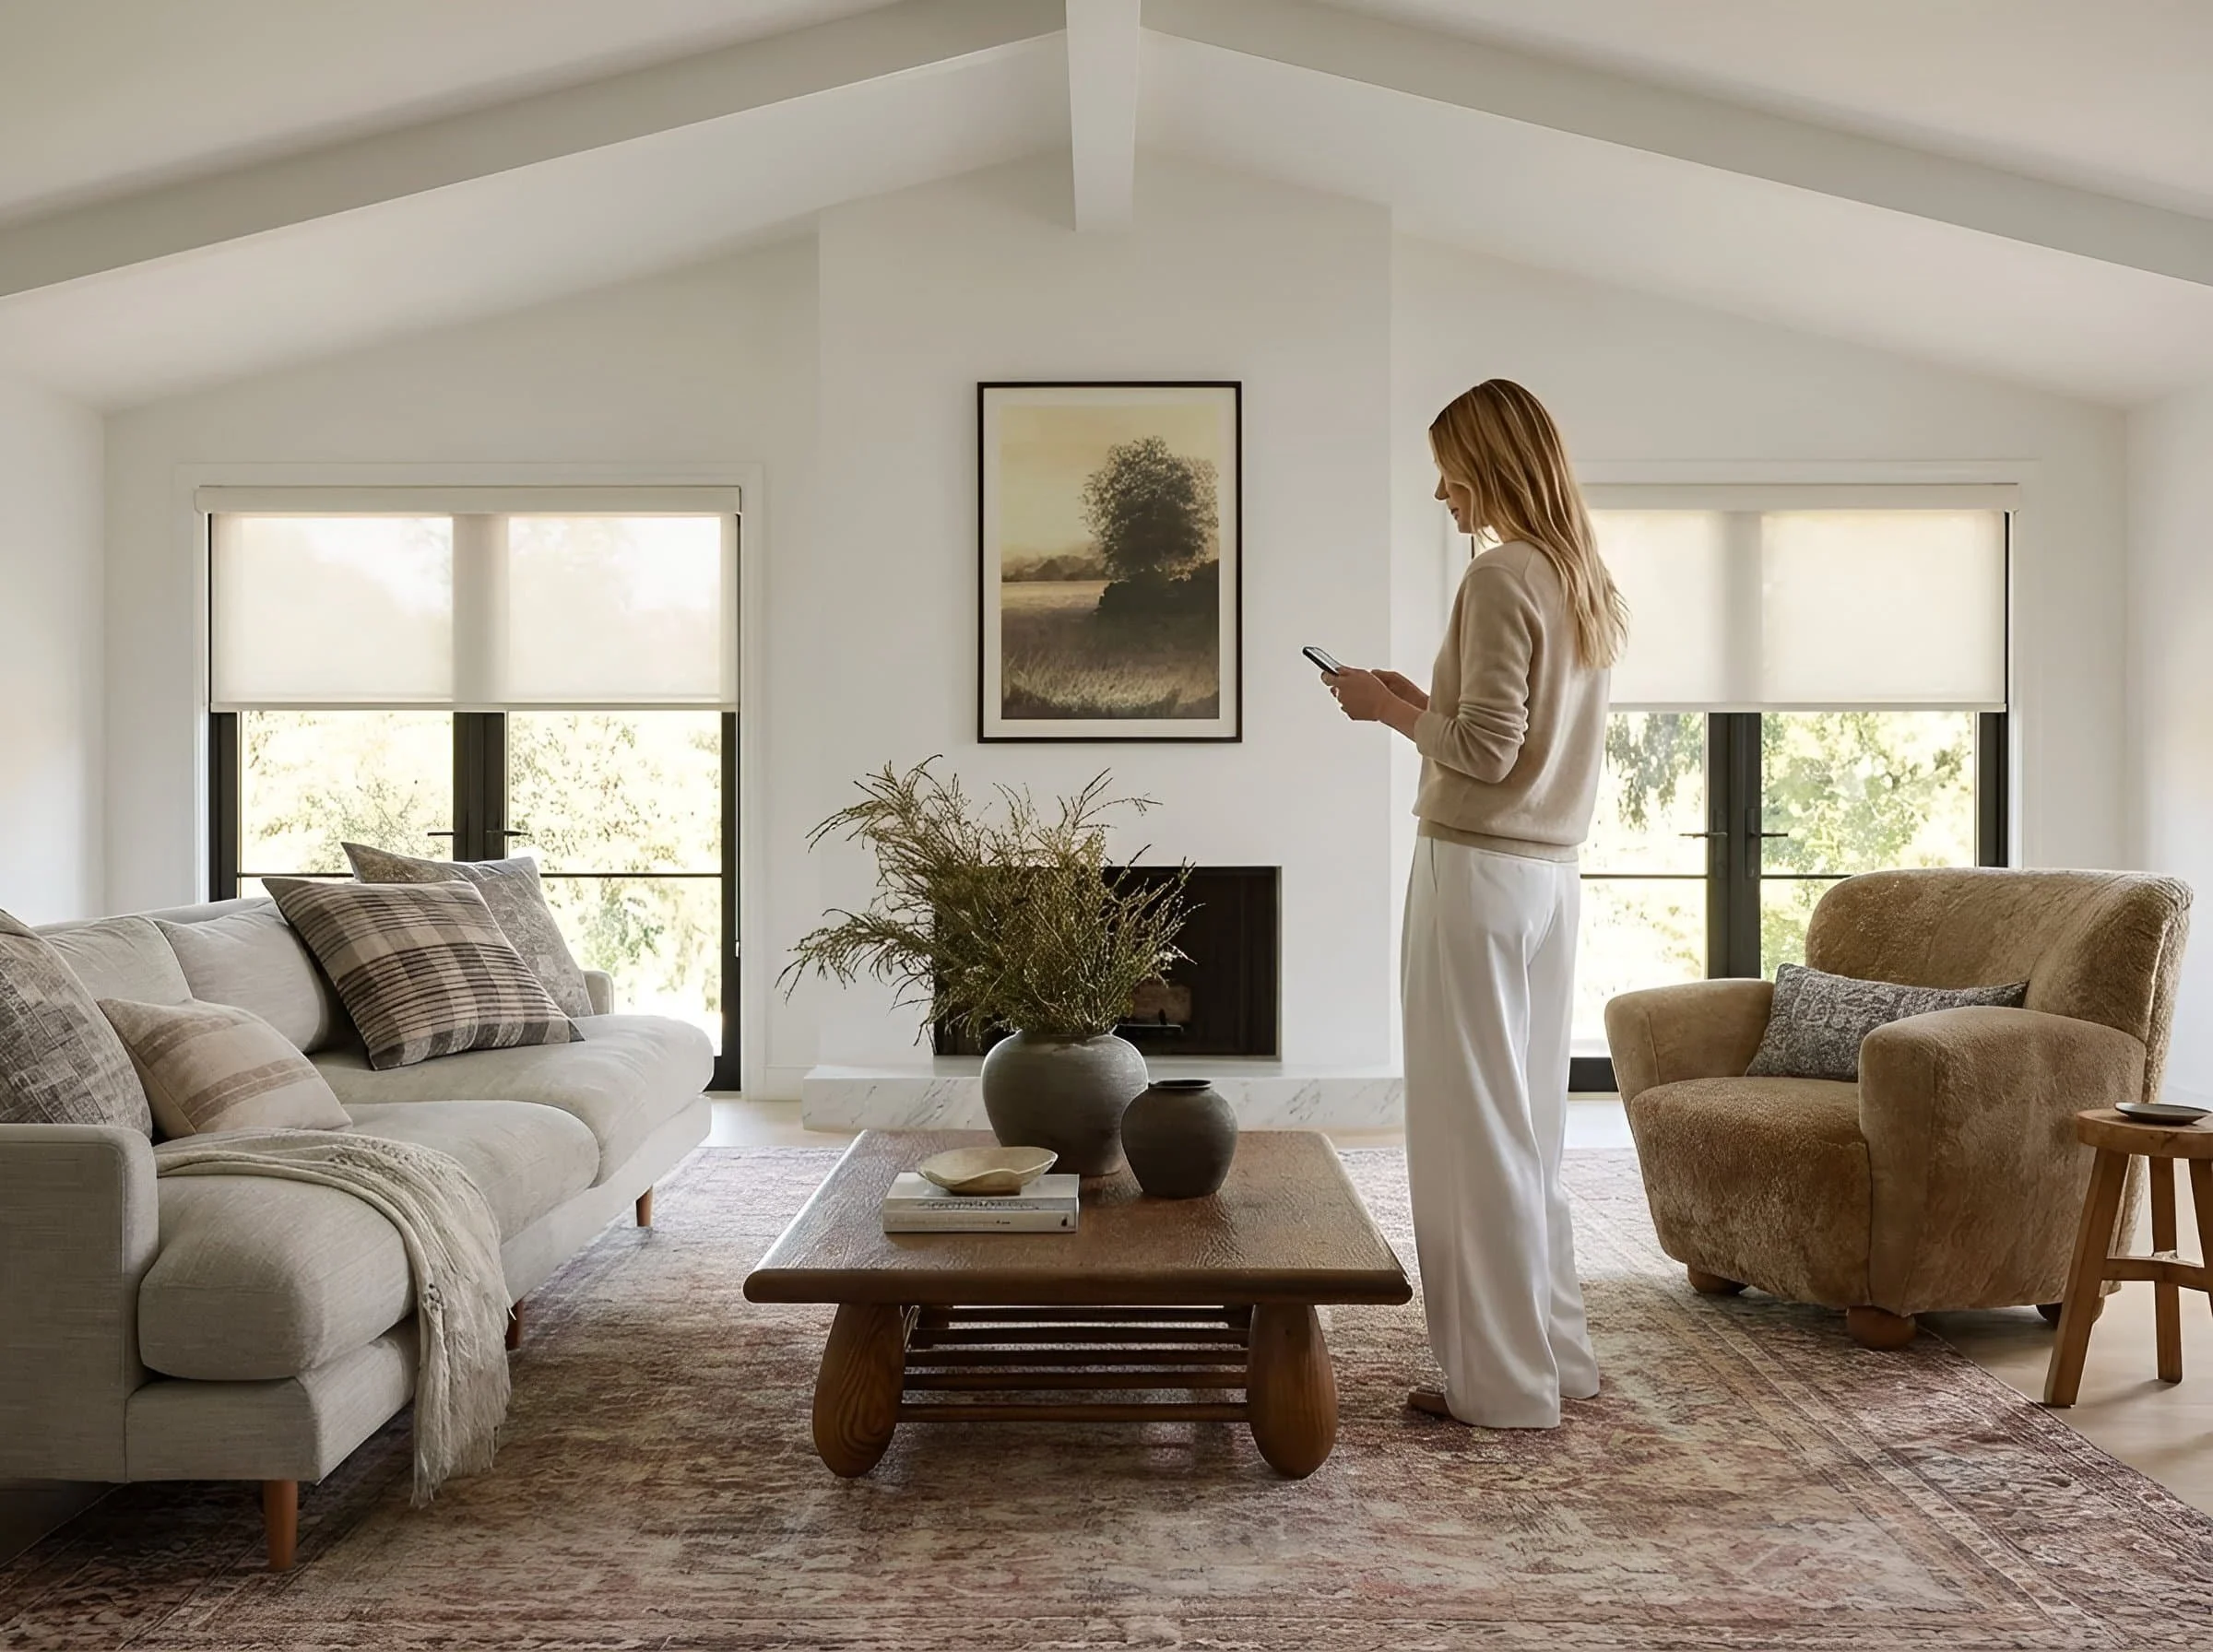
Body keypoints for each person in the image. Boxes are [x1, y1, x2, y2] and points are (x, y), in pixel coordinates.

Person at [1323, 378, 1627, 1428]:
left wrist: (1386, 714)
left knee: (1471, 1132)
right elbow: (1522, 739)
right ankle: (1554, 1361)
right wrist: (1420, 701)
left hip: (1476, 872)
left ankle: (1497, 1387)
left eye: (1450, 468)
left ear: (1490, 463)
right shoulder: (1579, 578)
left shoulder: (1500, 575)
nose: (1442, 492)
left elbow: (1488, 752)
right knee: (1529, 1129)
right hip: (1548, 879)